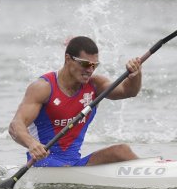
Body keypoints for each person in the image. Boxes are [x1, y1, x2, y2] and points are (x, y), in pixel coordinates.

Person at [9, 36, 142, 167]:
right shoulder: (43, 87)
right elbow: (16, 125)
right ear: (68, 59)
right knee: (64, 168)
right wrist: (32, 144)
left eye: (94, 65)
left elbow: (128, 91)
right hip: (43, 161)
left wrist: (136, 74)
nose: (90, 70)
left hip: (73, 164)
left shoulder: (95, 85)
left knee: (122, 151)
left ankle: (153, 171)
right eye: (85, 64)